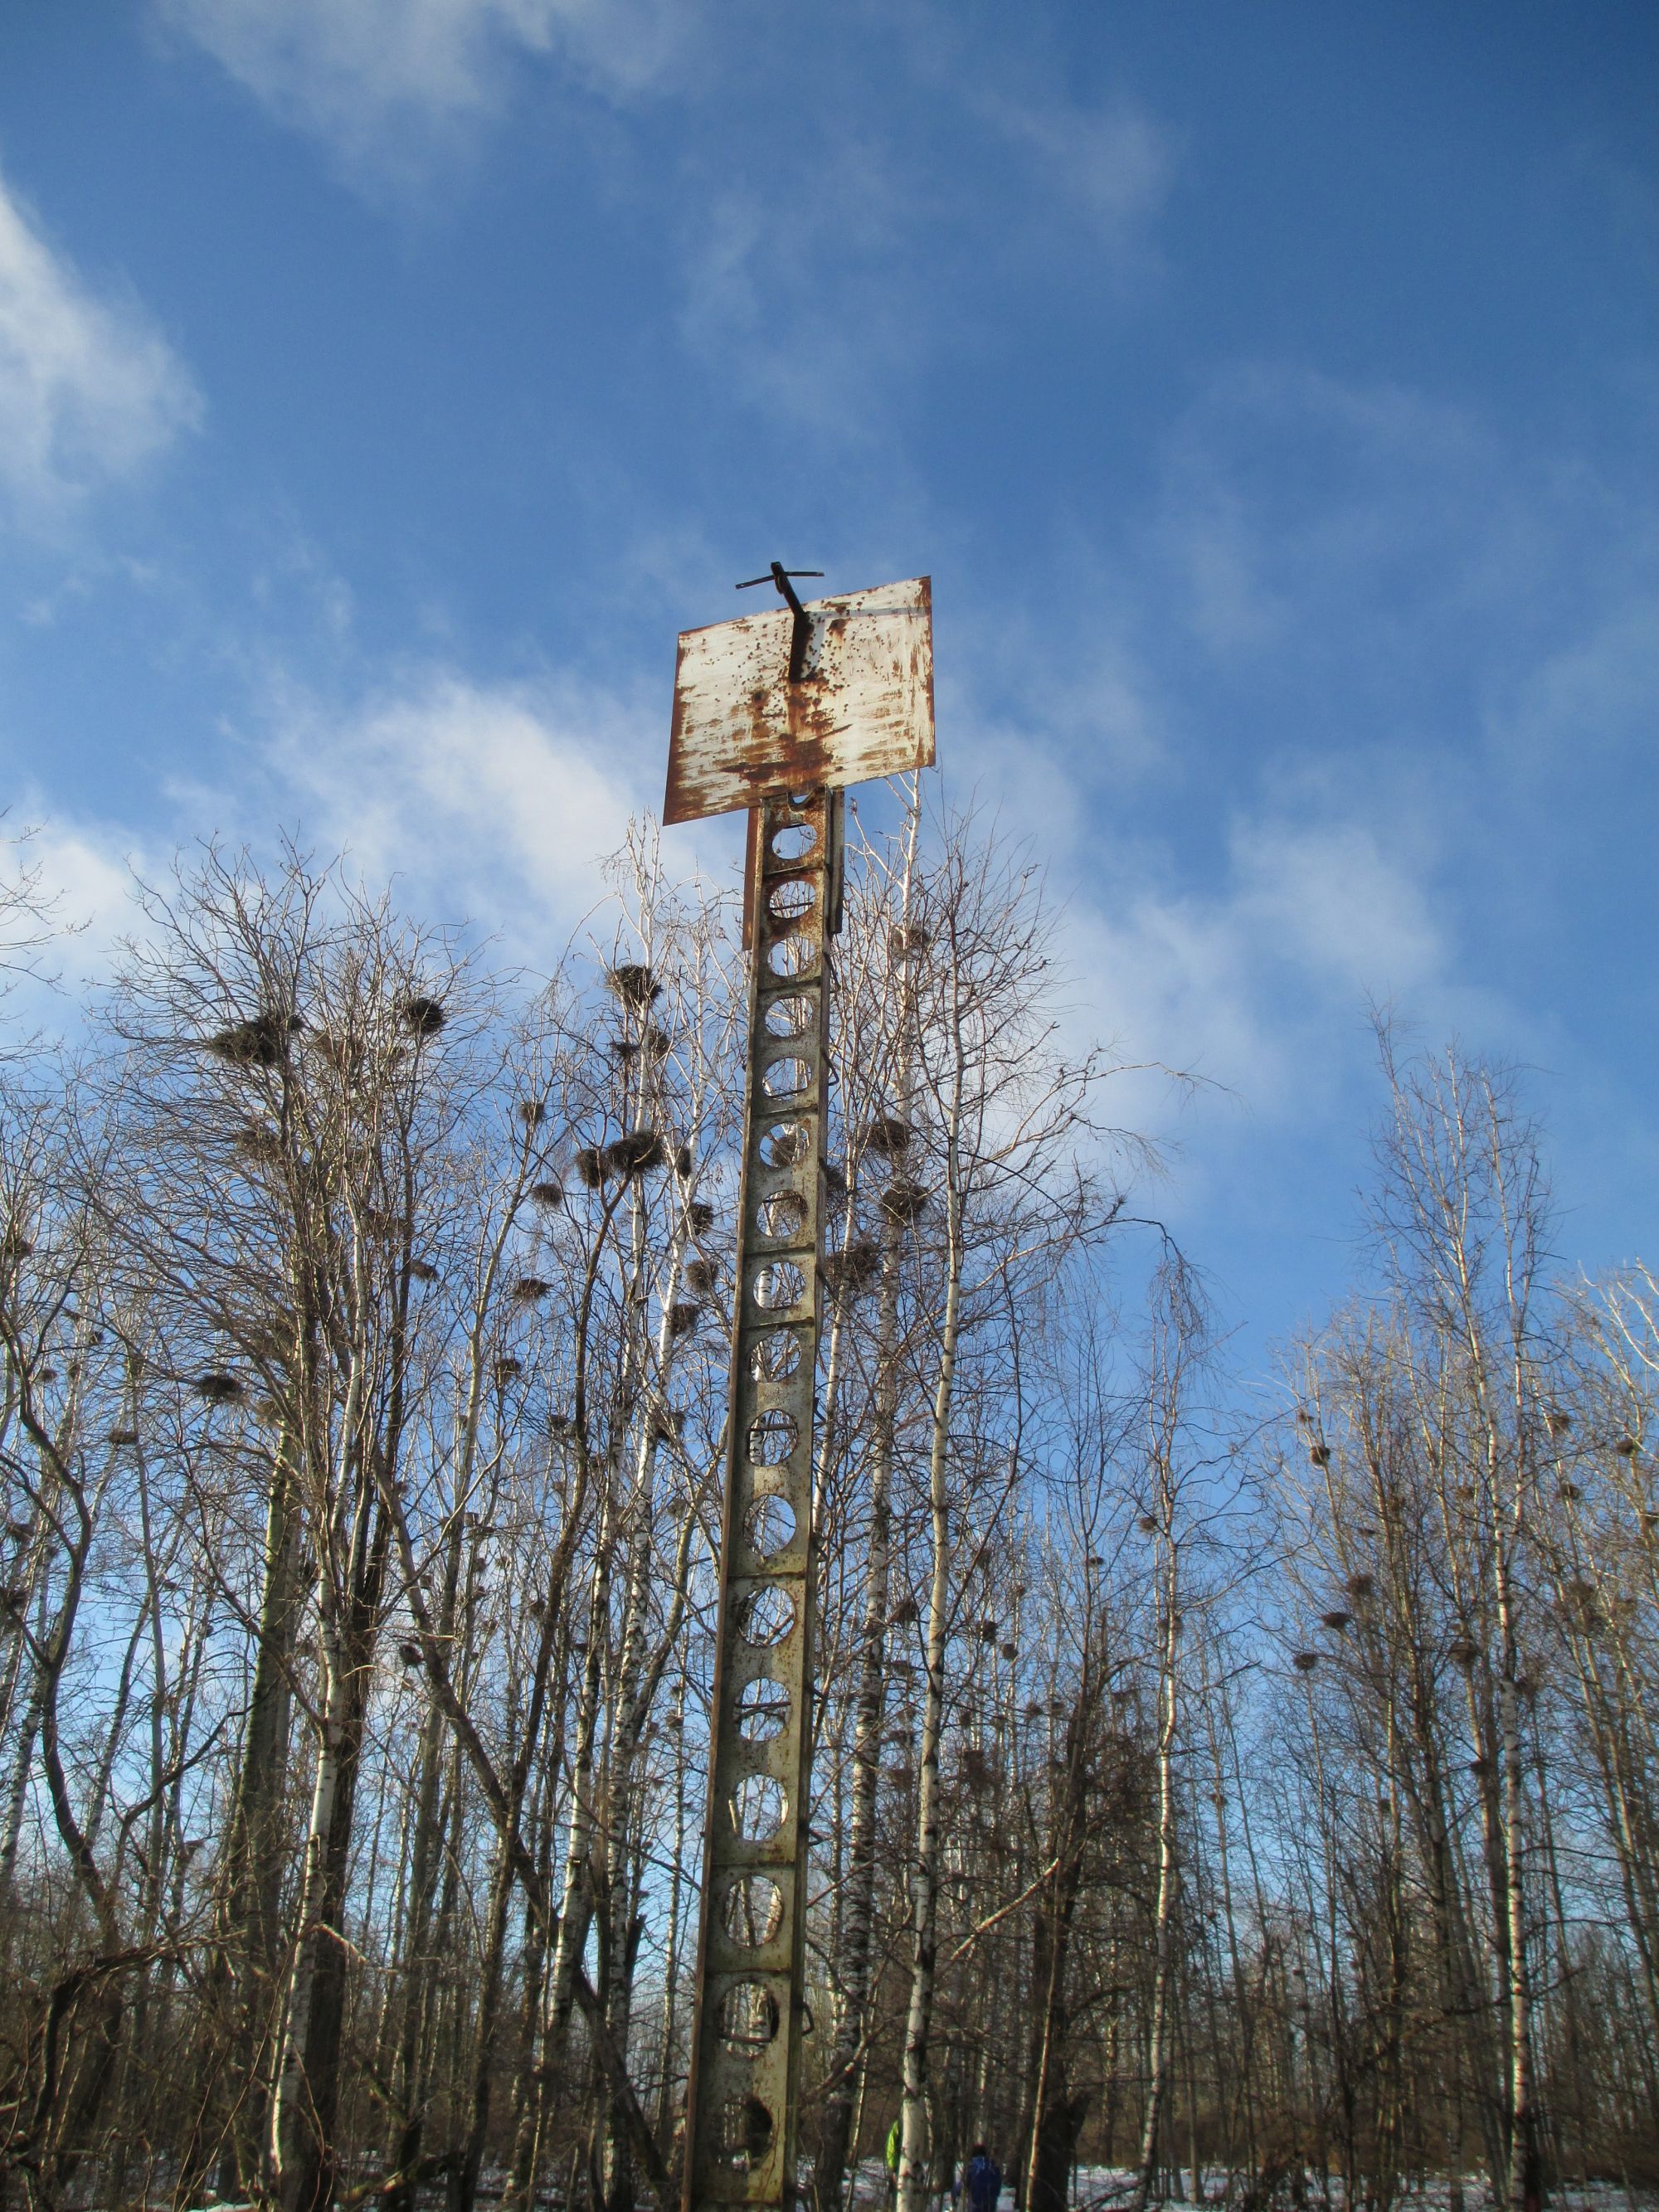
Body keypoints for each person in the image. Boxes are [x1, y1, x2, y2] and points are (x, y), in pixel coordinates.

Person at [957, 2143, 1000, 2212]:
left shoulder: (971, 2167)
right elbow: (998, 2187)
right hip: (991, 2204)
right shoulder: (993, 2167)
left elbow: (964, 2186)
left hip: (976, 2204)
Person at [885, 2116, 902, 2207]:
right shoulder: (897, 2128)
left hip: (896, 2164)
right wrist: (893, 2166)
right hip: (895, 2165)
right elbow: (891, 2149)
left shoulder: (898, 2127)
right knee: (894, 2190)